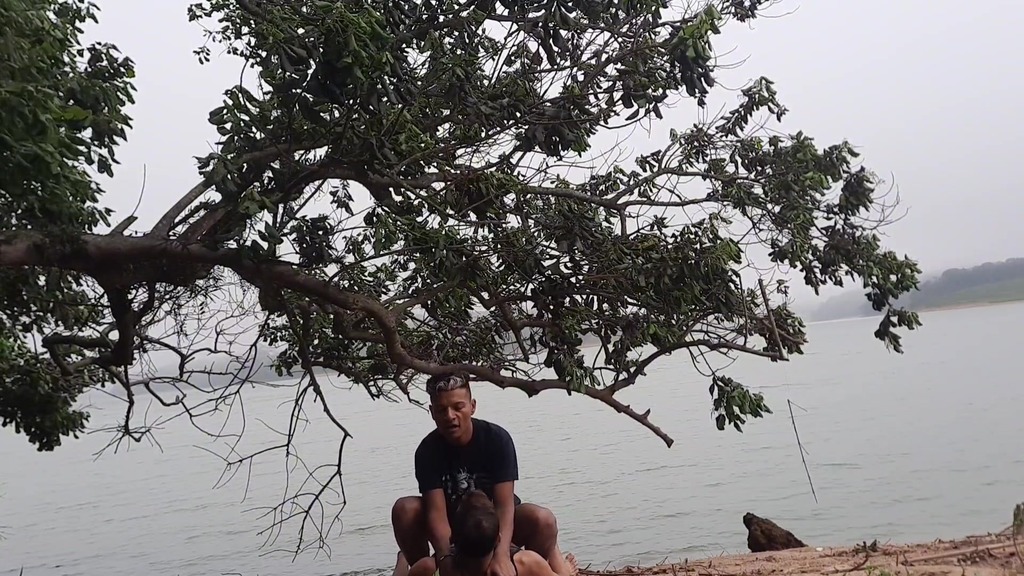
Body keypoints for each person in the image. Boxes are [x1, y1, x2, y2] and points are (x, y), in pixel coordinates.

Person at [391, 373, 575, 576]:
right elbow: (437, 514)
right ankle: (421, 566)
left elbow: (505, 506)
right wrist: (445, 559)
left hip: (492, 527)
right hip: (456, 529)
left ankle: (525, 568)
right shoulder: (427, 451)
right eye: (442, 410)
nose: (450, 416)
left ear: (472, 406)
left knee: (543, 519)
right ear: (432, 412)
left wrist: (502, 554)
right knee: (404, 509)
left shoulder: (496, 439)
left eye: (458, 407)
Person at [407, 489, 572, 576]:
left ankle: (402, 559)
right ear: (499, 539)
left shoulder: (427, 569)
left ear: (453, 537)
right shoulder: (525, 564)